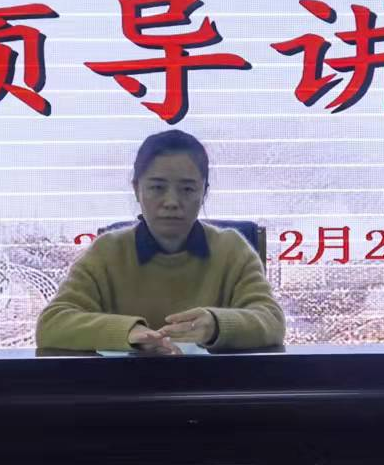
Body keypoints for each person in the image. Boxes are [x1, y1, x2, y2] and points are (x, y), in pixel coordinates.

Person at [36, 130, 284, 354]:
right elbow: (53, 323)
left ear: (204, 192)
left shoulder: (231, 249)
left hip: (211, 386)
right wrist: (128, 333)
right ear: (137, 189)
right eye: (157, 188)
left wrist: (216, 325)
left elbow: (272, 320)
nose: (172, 202)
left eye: (187, 189)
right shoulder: (108, 251)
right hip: (126, 387)